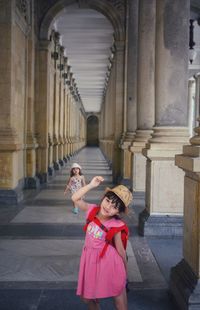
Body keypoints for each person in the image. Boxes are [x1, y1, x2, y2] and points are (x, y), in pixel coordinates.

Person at [72, 176, 133, 310]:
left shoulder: (116, 225)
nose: (108, 207)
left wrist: (125, 274)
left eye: (114, 207)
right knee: (88, 298)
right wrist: (91, 185)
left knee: (118, 296)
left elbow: (121, 251)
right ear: (103, 198)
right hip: (90, 260)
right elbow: (75, 198)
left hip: (111, 263)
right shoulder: (92, 210)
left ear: (119, 212)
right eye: (108, 201)